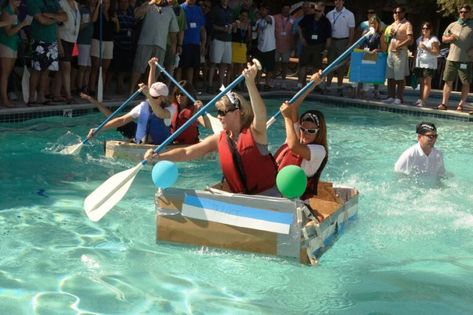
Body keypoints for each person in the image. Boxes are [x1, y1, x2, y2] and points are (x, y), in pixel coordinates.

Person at [145, 61, 279, 196]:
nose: (219, 117)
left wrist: (250, 83)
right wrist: (158, 156)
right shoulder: (218, 140)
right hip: (240, 198)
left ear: (237, 113)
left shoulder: (256, 134)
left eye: (222, 112)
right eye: (217, 113)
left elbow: (261, 115)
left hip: (267, 197)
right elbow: (186, 152)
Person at [88, 57, 176, 144]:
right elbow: (121, 120)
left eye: (154, 97)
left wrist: (149, 95)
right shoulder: (143, 106)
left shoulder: (170, 109)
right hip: (142, 143)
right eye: (151, 95)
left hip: (160, 146)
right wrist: (99, 129)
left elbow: (160, 114)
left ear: (163, 98)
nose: (151, 98)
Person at [274, 70, 327, 202]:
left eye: (311, 131)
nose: (305, 133)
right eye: (303, 129)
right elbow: (294, 106)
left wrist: (286, 118)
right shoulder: (297, 135)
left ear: (319, 132)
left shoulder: (319, 151)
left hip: (298, 202)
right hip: (275, 193)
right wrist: (312, 84)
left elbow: (293, 146)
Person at [27, 0, 67, 105]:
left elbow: (65, 17)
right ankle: (31, 98)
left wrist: (50, 15)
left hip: (52, 41)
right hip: (38, 40)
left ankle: (41, 97)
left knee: (46, 71)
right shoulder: (33, 2)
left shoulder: (54, 2)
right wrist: (56, 18)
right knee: (36, 70)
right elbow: (42, 20)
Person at [437, 4, 473, 112]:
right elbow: (443, 38)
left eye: (465, 12)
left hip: (465, 59)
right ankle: (444, 104)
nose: (463, 14)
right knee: (448, 81)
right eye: (461, 12)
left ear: (470, 13)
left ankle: (461, 105)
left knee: (465, 83)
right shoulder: (452, 25)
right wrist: (450, 38)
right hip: (451, 58)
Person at [0, 0, 31, 107]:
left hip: (13, 44)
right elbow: (8, 32)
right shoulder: (6, 12)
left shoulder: (15, 11)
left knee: (7, 74)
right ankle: (4, 100)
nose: (20, 1)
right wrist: (22, 24)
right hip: (6, 44)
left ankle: (4, 98)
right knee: (4, 74)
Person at [382, 6, 413, 105]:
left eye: (399, 12)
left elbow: (410, 39)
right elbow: (388, 37)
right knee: (390, 76)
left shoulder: (407, 24)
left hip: (400, 52)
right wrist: (390, 35)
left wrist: (399, 45)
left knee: (399, 77)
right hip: (391, 52)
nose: (397, 14)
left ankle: (399, 97)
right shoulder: (393, 24)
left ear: (403, 13)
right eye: (395, 12)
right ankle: (390, 96)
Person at [325, 0, 355, 96]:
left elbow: (351, 30)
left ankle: (339, 87)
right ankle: (328, 86)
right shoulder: (329, 14)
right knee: (330, 64)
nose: (337, 2)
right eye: (336, 0)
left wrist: (349, 43)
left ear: (343, 1)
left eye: (339, 0)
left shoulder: (349, 14)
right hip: (331, 41)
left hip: (343, 41)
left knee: (341, 65)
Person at [413, 22, 439, 107]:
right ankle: (420, 99)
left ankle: (424, 101)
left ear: (430, 30)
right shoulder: (419, 39)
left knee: (427, 82)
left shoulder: (433, 40)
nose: (425, 30)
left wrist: (426, 48)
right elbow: (417, 51)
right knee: (421, 82)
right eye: (423, 28)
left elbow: (436, 52)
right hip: (419, 63)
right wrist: (414, 63)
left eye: (427, 28)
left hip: (429, 63)